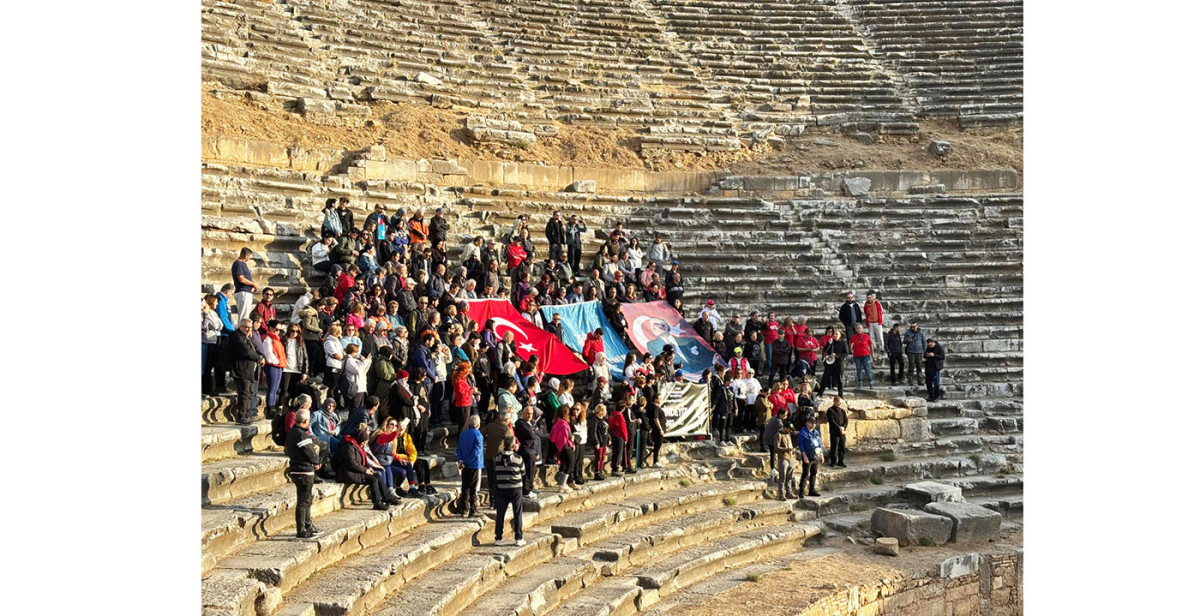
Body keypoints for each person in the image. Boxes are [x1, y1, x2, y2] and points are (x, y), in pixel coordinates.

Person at [336, 423, 394, 510]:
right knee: (373, 479)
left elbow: (363, 458)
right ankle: (377, 503)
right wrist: (365, 470)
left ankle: (388, 497)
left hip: (355, 471)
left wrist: (368, 467)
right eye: (363, 442)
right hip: (347, 473)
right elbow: (352, 463)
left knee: (377, 475)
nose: (364, 445)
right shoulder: (348, 447)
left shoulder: (356, 445)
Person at [286, 407, 322, 537]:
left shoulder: (291, 432)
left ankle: (308, 525)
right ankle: (301, 530)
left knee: (306, 500)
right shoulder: (300, 434)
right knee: (303, 501)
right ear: (306, 420)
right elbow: (310, 452)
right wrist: (317, 461)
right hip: (303, 471)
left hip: (296, 469)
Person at [492, 434, 527, 546]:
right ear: (513, 446)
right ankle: (518, 537)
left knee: (500, 513)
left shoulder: (496, 458)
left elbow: (495, 471)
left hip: (501, 488)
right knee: (517, 512)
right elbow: (523, 472)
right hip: (515, 488)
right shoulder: (518, 459)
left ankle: (498, 538)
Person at [230, 319, 265, 424]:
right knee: (244, 393)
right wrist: (258, 358)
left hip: (249, 370)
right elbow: (246, 351)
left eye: (250, 327)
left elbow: (254, 349)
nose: (248, 329)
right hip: (241, 369)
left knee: (249, 392)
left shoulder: (247, 337)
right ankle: (242, 416)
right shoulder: (237, 337)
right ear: (240, 326)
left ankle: (247, 414)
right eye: (246, 327)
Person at [483, 409, 516, 507]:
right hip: (500, 458)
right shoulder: (507, 430)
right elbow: (511, 444)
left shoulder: (490, 426)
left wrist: (488, 440)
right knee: (500, 480)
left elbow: (480, 433)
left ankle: (492, 501)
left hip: (489, 455)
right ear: (507, 419)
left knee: (491, 480)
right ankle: (498, 501)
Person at [455, 414, 484, 517]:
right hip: (474, 464)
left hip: (464, 464)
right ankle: (473, 509)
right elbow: (476, 452)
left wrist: (461, 460)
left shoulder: (463, 434)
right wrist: (467, 461)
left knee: (465, 486)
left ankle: (464, 508)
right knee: (473, 487)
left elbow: (459, 449)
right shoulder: (478, 435)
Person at [513, 406, 541, 497]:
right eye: (528, 413)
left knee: (533, 471)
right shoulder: (520, 423)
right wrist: (533, 432)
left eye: (531, 414)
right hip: (525, 451)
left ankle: (530, 488)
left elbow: (536, 434)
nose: (529, 415)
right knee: (527, 472)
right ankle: (526, 491)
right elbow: (531, 435)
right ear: (523, 413)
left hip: (533, 450)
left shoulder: (531, 423)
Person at [549, 407, 578, 490]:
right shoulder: (563, 423)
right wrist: (572, 437)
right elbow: (568, 435)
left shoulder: (557, 422)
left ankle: (562, 484)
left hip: (561, 447)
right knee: (569, 464)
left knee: (563, 464)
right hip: (566, 447)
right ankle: (563, 485)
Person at [202, 294, 224, 395]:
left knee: (212, 364)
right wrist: (217, 326)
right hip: (207, 341)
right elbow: (215, 325)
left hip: (214, 340)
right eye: (215, 301)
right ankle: (206, 388)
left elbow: (220, 325)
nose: (217, 303)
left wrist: (217, 326)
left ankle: (210, 388)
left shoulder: (214, 313)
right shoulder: (207, 313)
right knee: (207, 365)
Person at [797, 416, 823, 498]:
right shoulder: (803, 432)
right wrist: (804, 456)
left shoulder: (816, 432)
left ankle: (812, 490)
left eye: (814, 423)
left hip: (816, 455)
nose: (814, 425)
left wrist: (821, 454)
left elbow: (819, 444)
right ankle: (801, 491)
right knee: (805, 473)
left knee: (814, 473)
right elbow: (801, 446)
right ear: (808, 423)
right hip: (808, 455)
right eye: (812, 423)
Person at [816, 329, 847, 398]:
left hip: (839, 363)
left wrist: (836, 355)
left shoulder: (843, 343)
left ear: (840, 335)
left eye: (836, 334)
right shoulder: (831, 342)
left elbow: (845, 353)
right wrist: (828, 344)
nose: (835, 335)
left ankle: (840, 394)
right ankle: (820, 393)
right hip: (830, 362)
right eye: (834, 334)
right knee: (825, 377)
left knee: (839, 379)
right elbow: (825, 350)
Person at [231, 247, 258, 325]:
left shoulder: (243, 264)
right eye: (250, 256)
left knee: (246, 315)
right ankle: (242, 333)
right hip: (243, 292)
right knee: (244, 317)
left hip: (246, 292)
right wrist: (253, 284)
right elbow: (241, 279)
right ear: (246, 255)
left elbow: (246, 278)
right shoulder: (238, 263)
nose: (250, 258)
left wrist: (253, 284)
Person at [607, 401, 631, 475]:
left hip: (614, 435)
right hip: (619, 436)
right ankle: (615, 469)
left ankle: (614, 468)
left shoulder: (612, 415)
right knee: (619, 453)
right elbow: (623, 429)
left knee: (615, 452)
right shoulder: (619, 416)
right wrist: (626, 438)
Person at [774, 424, 796, 500]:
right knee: (782, 477)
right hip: (783, 457)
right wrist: (787, 449)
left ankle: (789, 493)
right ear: (785, 428)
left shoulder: (788, 435)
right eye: (789, 429)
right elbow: (776, 448)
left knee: (789, 476)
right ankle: (781, 494)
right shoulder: (779, 435)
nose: (790, 431)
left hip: (790, 457)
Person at [826, 396, 849, 468]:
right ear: (834, 402)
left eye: (840, 402)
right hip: (834, 432)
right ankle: (833, 462)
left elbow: (846, 420)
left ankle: (841, 461)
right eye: (838, 402)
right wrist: (839, 428)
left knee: (842, 447)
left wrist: (843, 427)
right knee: (834, 447)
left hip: (842, 432)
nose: (839, 403)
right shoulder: (830, 410)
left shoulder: (842, 411)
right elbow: (832, 421)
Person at [850, 324, 874, 388]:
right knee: (858, 369)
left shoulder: (866, 336)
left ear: (862, 329)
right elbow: (851, 344)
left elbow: (871, 345)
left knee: (867, 368)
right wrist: (851, 349)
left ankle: (870, 381)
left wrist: (872, 354)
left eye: (860, 328)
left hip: (865, 355)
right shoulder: (854, 336)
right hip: (857, 355)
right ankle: (860, 382)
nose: (858, 329)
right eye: (857, 328)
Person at [864, 293, 885, 357]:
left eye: (870, 298)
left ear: (872, 297)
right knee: (871, 337)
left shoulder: (877, 303)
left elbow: (881, 311)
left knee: (880, 336)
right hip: (870, 322)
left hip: (877, 322)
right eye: (868, 298)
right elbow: (866, 313)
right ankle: (874, 348)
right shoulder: (866, 305)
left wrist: (880, 320)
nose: (869, 299)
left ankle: (882, 348)